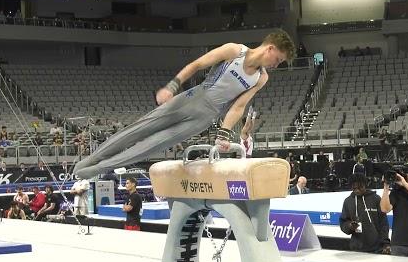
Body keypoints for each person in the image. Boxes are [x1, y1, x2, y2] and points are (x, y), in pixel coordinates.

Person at [73, 30, 295, 179]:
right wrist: (172, 86)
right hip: (191, 98)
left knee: (151, 146)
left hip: (205, 117)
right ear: (270, 49)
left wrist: (224, 133)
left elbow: (238, 106)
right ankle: (90, 160)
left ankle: (94, 170)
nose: (276, 65)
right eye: (278, 60)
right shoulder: (234, 50)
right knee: (138, 130)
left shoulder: (261, 78)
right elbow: (197, 64)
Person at [340, 173, 390, 254]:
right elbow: (343, 222)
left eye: (360, 187)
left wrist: (385, 243)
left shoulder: (376, 199)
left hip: (377, 248)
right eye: (354, 188)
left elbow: (383, 223)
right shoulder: (348, 201)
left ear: (365, 185)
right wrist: (349, 226)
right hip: (356, 248)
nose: (357, 190)